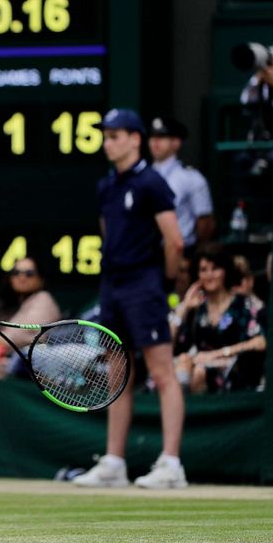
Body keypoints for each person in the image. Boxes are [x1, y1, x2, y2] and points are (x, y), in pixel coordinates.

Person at [72, 108, 187, 490]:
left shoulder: (152, 183)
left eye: (115, 135)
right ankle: (114, 463)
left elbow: (175, 240)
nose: (108, 142)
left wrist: (164, 282)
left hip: (145, 285)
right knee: (118, 373)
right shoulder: (106, 186)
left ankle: (171, 464)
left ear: (135, 139)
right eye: (105, 136)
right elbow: (108, 234)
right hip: (113, 285)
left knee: (161, 372)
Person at [171, 246, 266, 394]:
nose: (209, 275)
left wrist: (218, 354)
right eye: (203, 270)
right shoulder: (197, 308)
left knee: (199, 373)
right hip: (198, 367)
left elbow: (260, 342)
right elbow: (171, 346)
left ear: (226, 271)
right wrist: (185, 306)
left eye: (215, 268)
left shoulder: (244, 303)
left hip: (234, 370)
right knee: (183, 364)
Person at [147, 115, 215, 253]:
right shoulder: (141, 176)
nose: (155, 141)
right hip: (146, 254)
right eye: (152, 137)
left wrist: (193, 254)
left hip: (182, 251)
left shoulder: (191, 178)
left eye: (162, 137)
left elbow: (205, 222)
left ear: (176, 142)